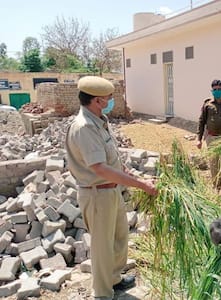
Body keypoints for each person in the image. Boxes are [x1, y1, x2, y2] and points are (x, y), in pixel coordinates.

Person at [65, 76, 158, 300]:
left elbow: (112, 160)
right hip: (97, 195)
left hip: (111, 191)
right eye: (108, 98)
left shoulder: (100, 121)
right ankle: (102, 294)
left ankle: (114, 279)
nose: (110, 101)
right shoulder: (85, 127)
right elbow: (100, 168)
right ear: (97, 100)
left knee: (118, 238)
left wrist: (132, 174)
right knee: (102, 247)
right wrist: (141, 185)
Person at [197, 79, 221, 192]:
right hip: (212, 138)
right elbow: (201, 121)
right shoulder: (207, 104)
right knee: (214, 164)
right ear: (212, 91)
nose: (217, 91)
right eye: (215, 90)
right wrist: (199, 139)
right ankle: (216, 187)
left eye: (219, 89)